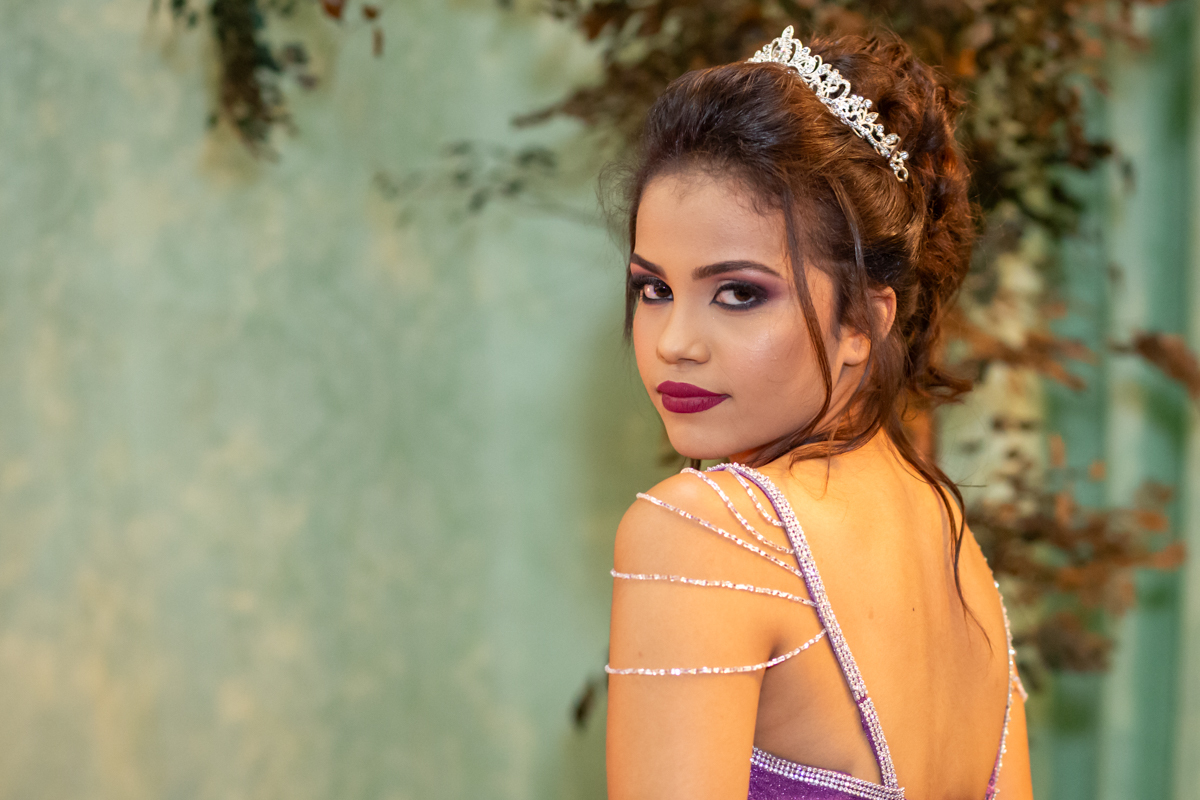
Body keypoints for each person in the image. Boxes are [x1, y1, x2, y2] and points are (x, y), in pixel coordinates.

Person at [603, 25, 1034, 800]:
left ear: (863, 320)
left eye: (739, 293)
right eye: (654, 289)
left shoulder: (708, 533)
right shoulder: (955, 552)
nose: (674, 343)